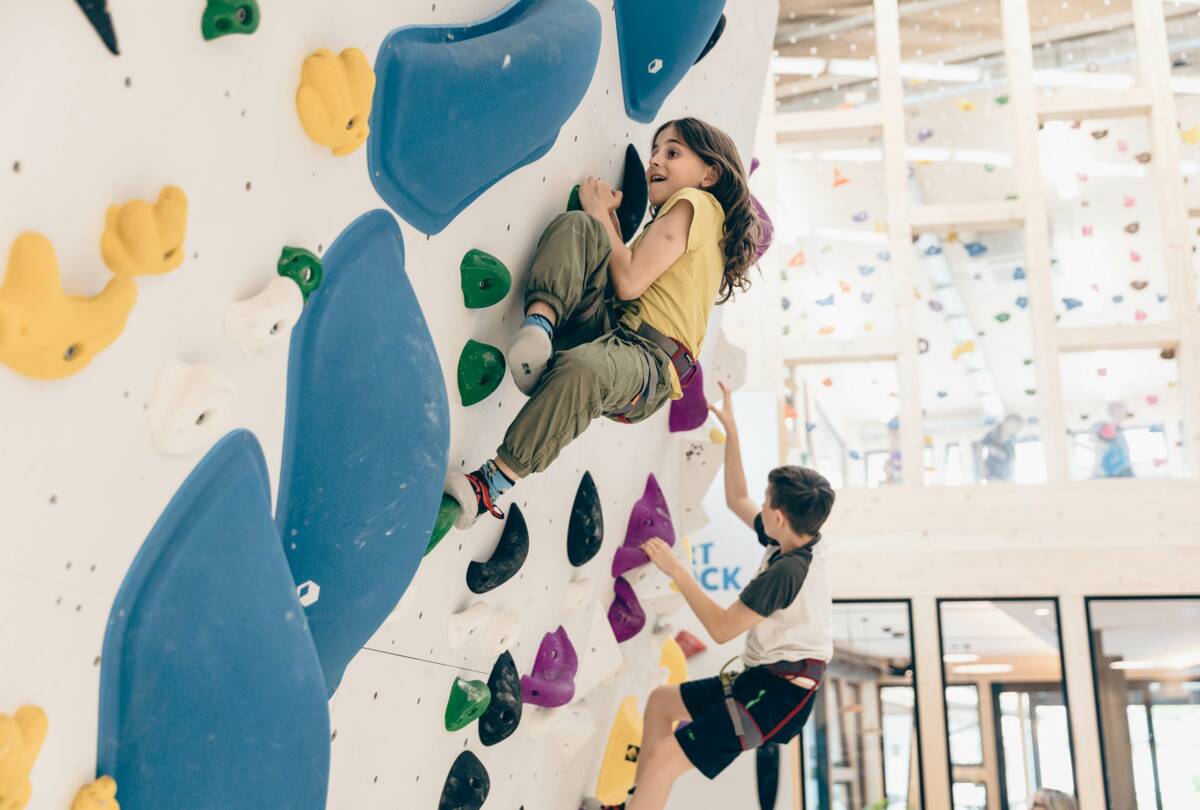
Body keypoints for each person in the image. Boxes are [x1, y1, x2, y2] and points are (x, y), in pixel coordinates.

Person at [442, 118, 762, 529]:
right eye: (655, 152)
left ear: (710, 174)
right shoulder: (685, 219)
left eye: (672, 152)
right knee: (581, 228)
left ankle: (490, 484)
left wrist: (599, 210)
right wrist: (601, 220)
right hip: (612, 332)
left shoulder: (696, 205)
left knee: (585, 368)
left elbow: (628, 280)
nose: (655, 161)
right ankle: (539, 331)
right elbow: (623, 270)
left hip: (648, 365)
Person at [595, 382, 835, 810]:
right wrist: (732, 431)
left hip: (780, 694)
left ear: (778, 517)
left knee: (667, 761)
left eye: (767, 503)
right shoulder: (798, 538)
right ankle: (631, 803)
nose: (759, 506)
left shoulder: (785, 573)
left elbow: (722, 629)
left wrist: (677, 572)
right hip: (764, 678)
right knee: (661, 704)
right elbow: (736, 498)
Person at [980, 414, 1024, 482]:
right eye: (1015, 425)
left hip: (1005, 477)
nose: (1017, 428)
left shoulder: (1012, 441)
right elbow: (980, 447)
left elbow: (1011, 460)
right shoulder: (991, 435)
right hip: (991, 476)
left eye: (1018, 426)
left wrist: (1011, 476)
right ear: (1006, 422)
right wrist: (983, 468)